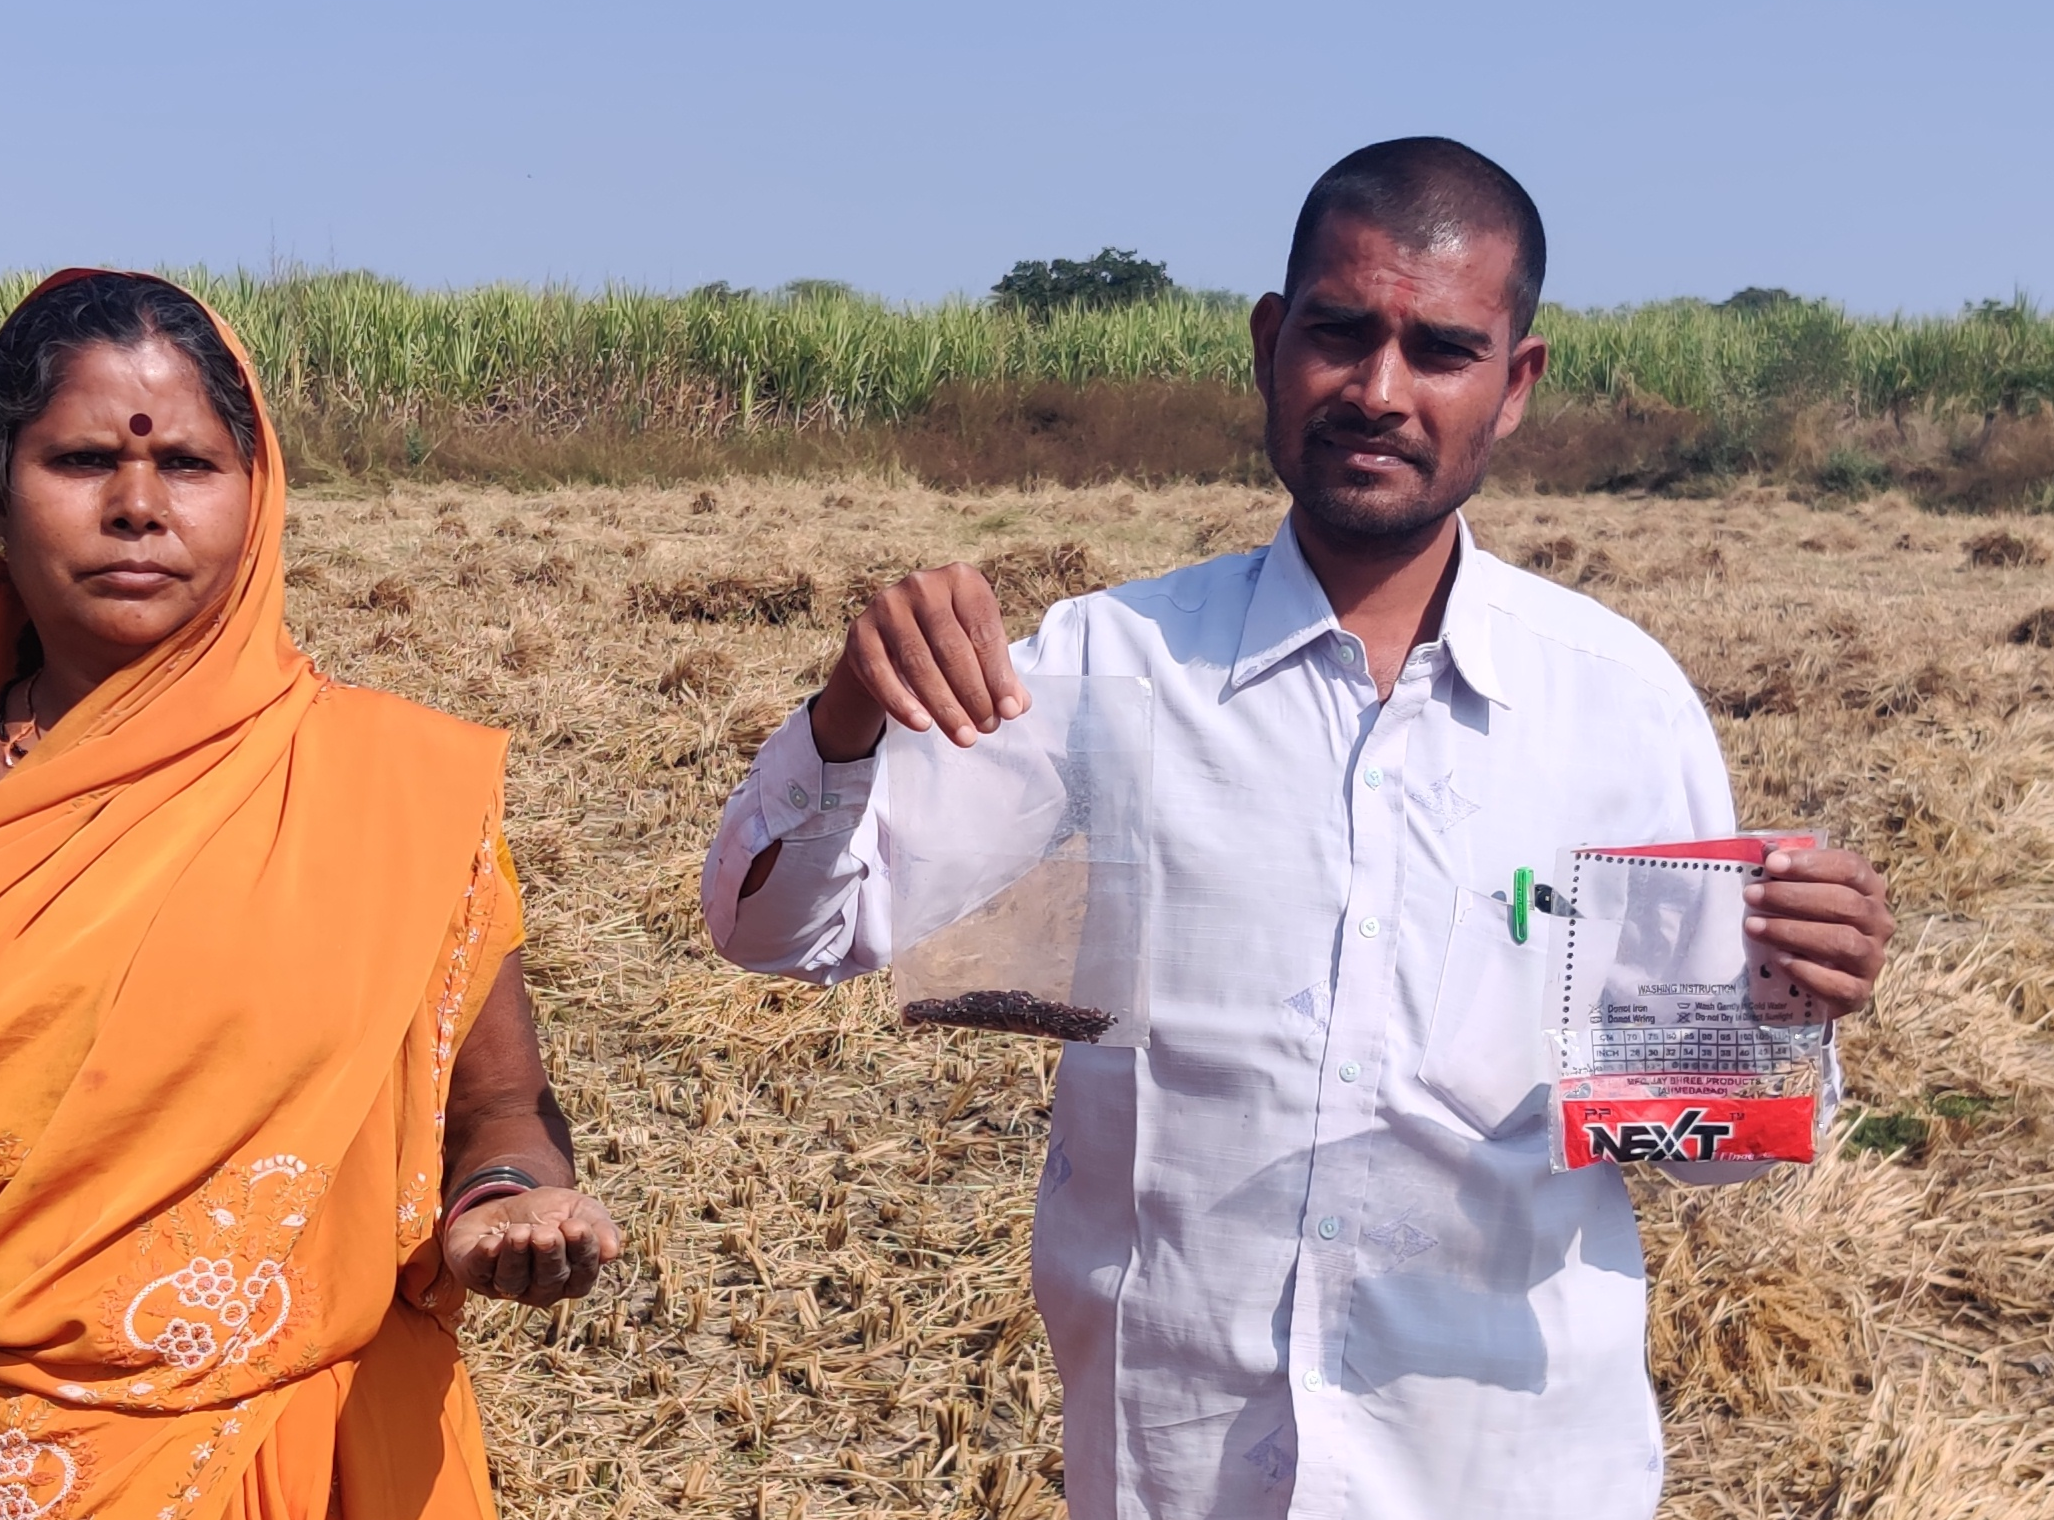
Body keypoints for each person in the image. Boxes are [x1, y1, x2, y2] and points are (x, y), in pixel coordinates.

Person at [700, 139, 1895, 1519]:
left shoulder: (1615, 710)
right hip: (1178, 1468)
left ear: (1512, 387)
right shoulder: (1101, 676)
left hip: (1508, 1474)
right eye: (1339, 333)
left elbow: (1709, 1138)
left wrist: (1786, 1010)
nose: (1377, 391)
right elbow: (782, 932)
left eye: (1439, 350)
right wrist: (851, 710)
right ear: (1272, 343)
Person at [0, 271, 619, 1520]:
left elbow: (500, 1107)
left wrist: (506, 1200)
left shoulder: (389, 788)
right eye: (79, 460)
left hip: (314, 1463)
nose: (137, 506)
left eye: (186, 463)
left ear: (258, 499)